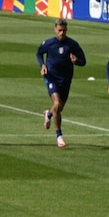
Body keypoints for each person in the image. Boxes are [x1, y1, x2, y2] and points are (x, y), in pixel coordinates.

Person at [36, 18, 86, 148]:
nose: (61, 33)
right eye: (59, 30)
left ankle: (49, 114)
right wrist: (42, 65)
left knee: (59, 108)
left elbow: (83, 61)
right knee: (57, 103)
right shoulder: (48, 43)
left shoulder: (72, 45)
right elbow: (39, 53)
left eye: (64, 30)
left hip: (66, 80)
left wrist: (76, 61)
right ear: (55, 29)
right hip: (51, 77)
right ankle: (59, 136)